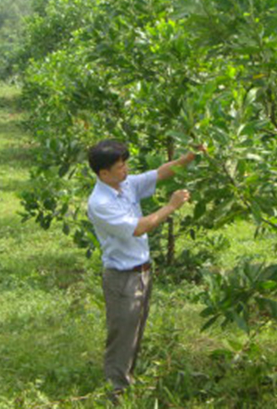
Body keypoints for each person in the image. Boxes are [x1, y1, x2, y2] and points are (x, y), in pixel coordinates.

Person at [86, 139, 198, 398]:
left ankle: (126, 382)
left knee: (134, 331)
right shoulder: (101, 203)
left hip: (141, 273)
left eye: (125, 164)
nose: (125, 170)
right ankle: (116, 392)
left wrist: (190, 156)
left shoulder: (123, 185)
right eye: (120, 166)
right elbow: (138, 227)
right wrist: (171, 206)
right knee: (122, 336)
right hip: (122, 278)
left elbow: (160, 173)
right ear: (104, 173)